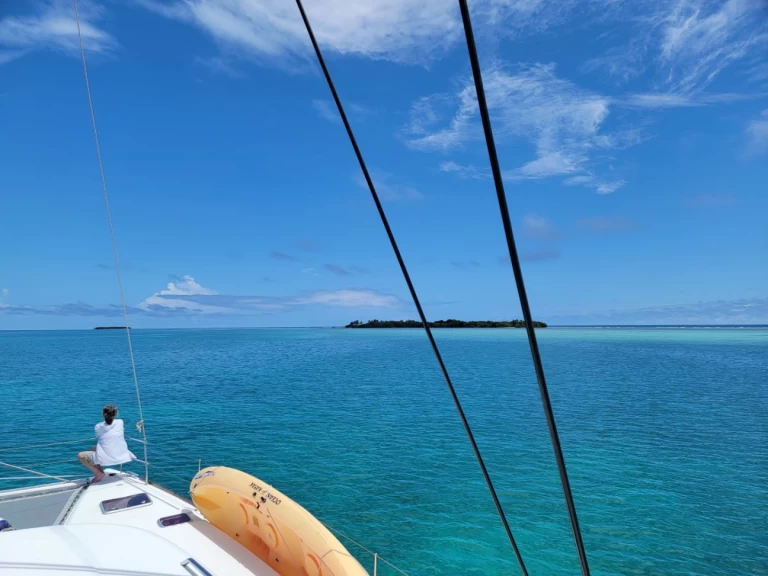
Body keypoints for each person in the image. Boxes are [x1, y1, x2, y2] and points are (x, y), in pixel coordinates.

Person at [78, 404, 136, 483]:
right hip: (121, 454)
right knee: (93, 449)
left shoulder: (98, 426)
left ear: (103, 414)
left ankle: (98, 473)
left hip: (108, 457)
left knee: (80, 456)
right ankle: (101, 472)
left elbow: (98, 436)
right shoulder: (120, 422)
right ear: (116, 414)